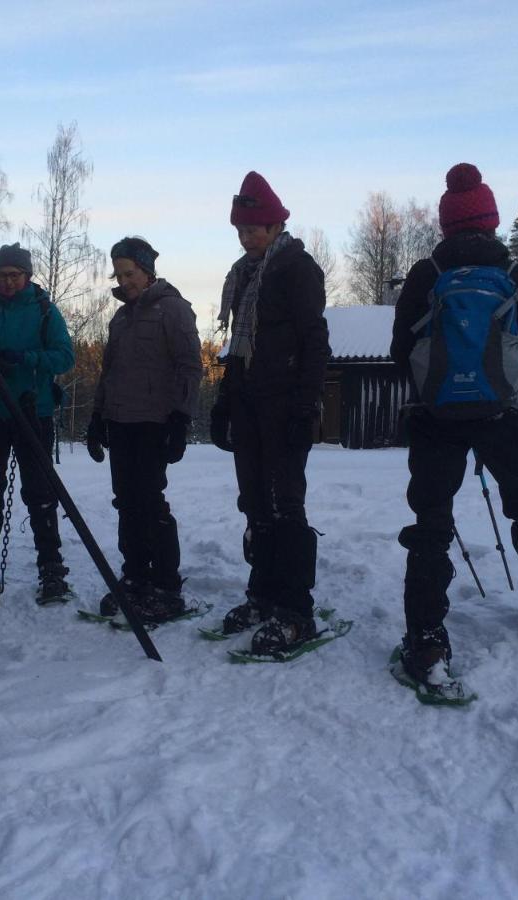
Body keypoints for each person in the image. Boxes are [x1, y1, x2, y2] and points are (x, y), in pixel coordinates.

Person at [389, 162, 518, 694]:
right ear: (492, 220)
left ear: (445, 223)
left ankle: (426, 639)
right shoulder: (517, 276)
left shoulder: (426, 274)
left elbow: (399, 350)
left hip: (435, 420)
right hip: (503, 415)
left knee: (431, 522)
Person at [210, 172, 331, 655]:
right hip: (249, 405)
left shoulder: (298, 269)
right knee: (255, 503)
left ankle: (295, 610)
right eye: (240, 229)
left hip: (285, 406)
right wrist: (225, 400)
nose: (246, 237)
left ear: (277, 224)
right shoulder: (242, 276)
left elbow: (314, 340)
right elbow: (239, 348)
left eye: (254, 228)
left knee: (285, 506)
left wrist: (307, 403)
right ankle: (262, 596)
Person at [87, 237, 202, 624]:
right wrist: (97, 416)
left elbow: (190, 367)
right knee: (126, 503)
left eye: (129, 273)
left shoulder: (173, 310)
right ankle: (135, 577)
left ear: (147, 271)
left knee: (151, 503)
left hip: (155, 423)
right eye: (118, 274)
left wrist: (180, 419)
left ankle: (166, 586)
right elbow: (110, 372)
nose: (124, 280)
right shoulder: (120, 317)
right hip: (120, 423)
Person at [0, 243, 75, 604]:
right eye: (2, 276)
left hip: (34, 412)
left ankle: (51, 567)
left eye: (14, 275)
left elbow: (64, 357)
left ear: (27, 276)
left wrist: (25, 359)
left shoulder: (45, 311)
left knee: (40, 493)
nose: (8, 282)